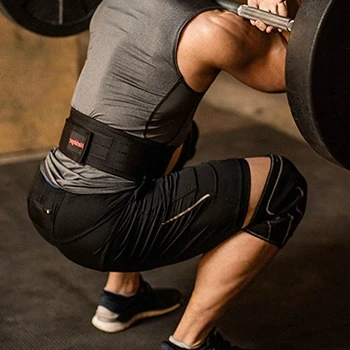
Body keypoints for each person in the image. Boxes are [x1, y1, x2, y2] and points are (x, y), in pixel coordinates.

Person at [27, 0, 306, 349]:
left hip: (47, 193)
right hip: (103, 223)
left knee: (179, 137)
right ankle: (189, 344)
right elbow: (295, 69)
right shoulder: (211, 31)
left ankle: (122, 296)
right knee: (282, 188)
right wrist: (285, 7)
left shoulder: (111, 4)